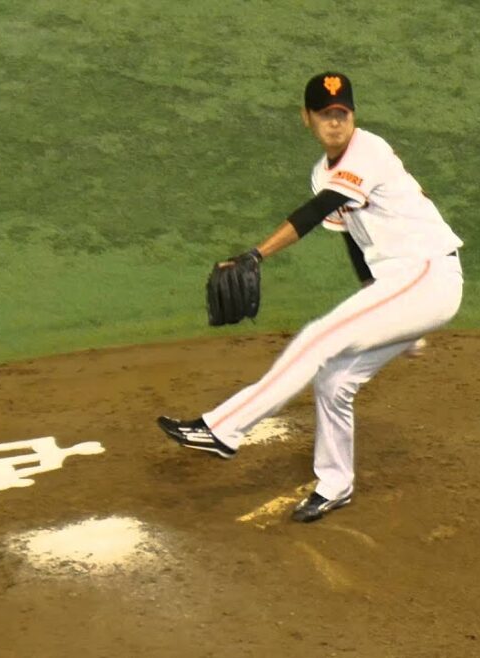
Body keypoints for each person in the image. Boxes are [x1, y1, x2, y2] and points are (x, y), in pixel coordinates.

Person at [157, 71, 464, 523]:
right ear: (307, 118)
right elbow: (354, 237)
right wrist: (396, 317)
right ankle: (335, 485)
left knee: (318, 338)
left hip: (427, 273)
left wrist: (256, 254)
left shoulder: (369, 150)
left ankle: (221, 429)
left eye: (342, 113)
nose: (335, 122)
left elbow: (317, 210)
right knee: (334, 380)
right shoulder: (323, 172)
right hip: (404, 290)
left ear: (353, 115)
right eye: (325, 114)